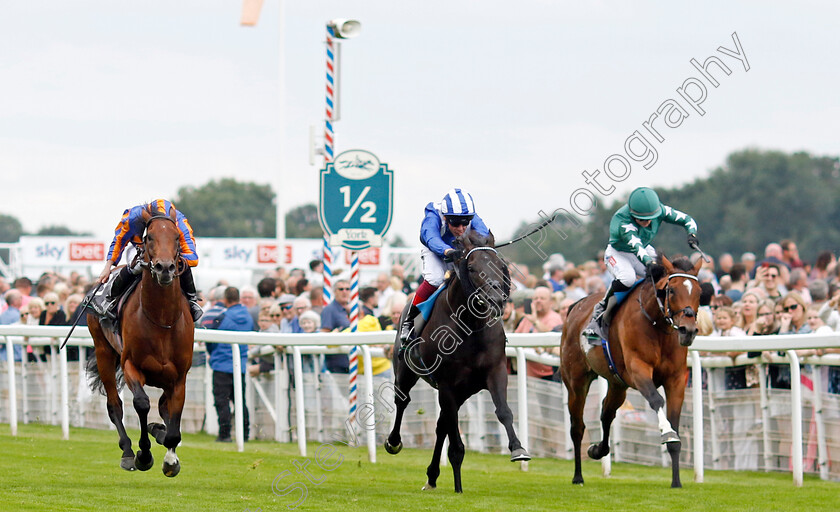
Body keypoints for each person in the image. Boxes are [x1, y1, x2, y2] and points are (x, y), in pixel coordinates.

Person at [583, 187, 698, 340]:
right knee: (627, 279)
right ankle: (601, 310)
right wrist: (649, 262)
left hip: (643, 248)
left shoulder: (661, 210)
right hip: (619, 252)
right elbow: (636, 246)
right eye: (641, 219)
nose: (646, 222)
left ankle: (669, 316)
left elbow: (686, 219)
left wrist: (692, 233)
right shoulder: (622, 222)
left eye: (650, 219)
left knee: (667, 275)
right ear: (632, 214)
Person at [399, 188, 490, 342]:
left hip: (459, 249)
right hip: (434, 250)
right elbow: (430, 236)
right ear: (446, 218)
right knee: (435, 279)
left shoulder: (471, 217)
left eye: (465, 222)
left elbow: (483, 235)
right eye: (455, 223)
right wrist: (447, 251)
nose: (461, 228)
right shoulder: (433, 216)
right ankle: (409, 322)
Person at [95, 199, 202, 322]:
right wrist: (108, 266)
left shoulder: (180, 222)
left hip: (170, 253)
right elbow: (119, 241)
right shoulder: (132, 217)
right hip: (140, 247)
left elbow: (193, 259)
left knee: (182, 265)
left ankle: (192, 300)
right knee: (136, 265)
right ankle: (110, 300)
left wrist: (173, 260)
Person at [206, 286, 252, 442]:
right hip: (240, 365)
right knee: (240, 400)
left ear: (224, 299)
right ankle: (245, 433)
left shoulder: (222, 317)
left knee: (222, 401)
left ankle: (224, 434)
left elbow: (210, 341)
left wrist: (212, 355)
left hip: (221, 365)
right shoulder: (248, 316)